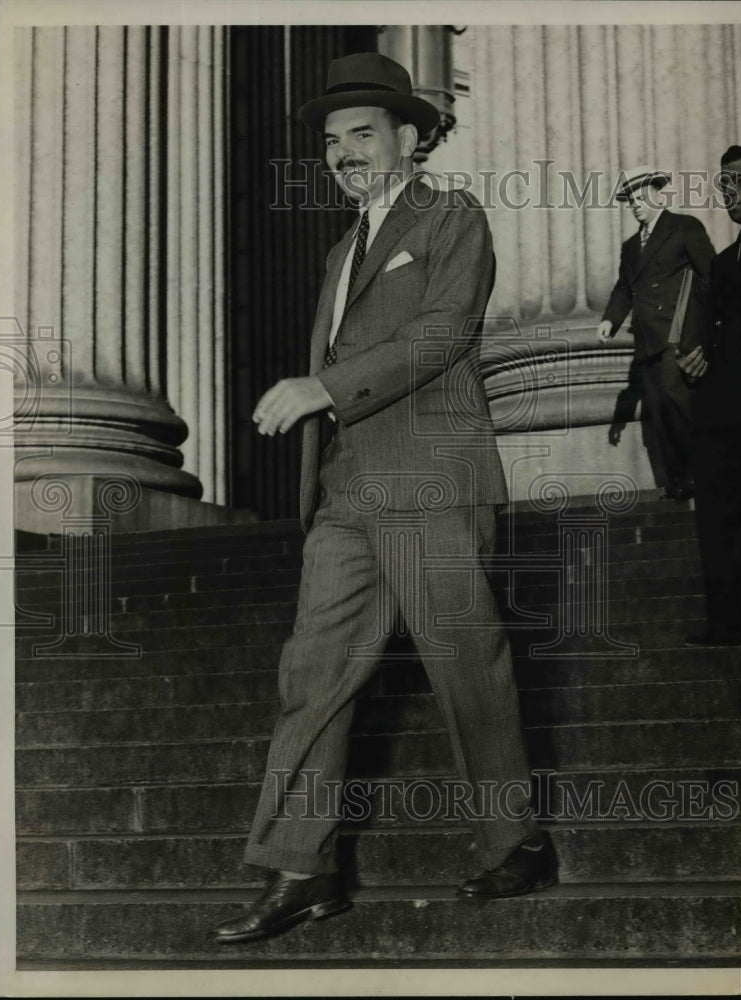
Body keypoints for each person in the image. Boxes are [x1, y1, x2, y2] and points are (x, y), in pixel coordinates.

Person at [210, 52, 555, 945]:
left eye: (362, 134)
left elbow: (443, 333)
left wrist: (323, 390)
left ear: (410, 137)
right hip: (348, 493)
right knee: (310, 676)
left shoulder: (451, 216)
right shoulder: (338, 251)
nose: (344, 153)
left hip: (432, 477)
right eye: (332, 142)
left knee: (463, 664)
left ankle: (515, 841)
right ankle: (303, 867)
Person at [598, 166, 715, 501]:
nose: (634, 204)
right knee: (660, 413)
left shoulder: (683, 228)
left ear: (657, 193)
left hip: (678, 338)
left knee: (680, 407)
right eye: (629, 199)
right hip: (647, 341)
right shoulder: (631, 246)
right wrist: (611, 319)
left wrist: (703, 335)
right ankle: (679, 481)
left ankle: (701, 475)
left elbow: (711, 278)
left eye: (640, 196)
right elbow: (624, 287)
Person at [678, 145, 741, 647]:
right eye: (723, 182)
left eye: (740, 181)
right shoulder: (726, 263)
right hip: (725, 409)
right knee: (719, 516)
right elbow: (715, 330)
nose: (728, 191)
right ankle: (728, 621)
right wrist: (698, 352)